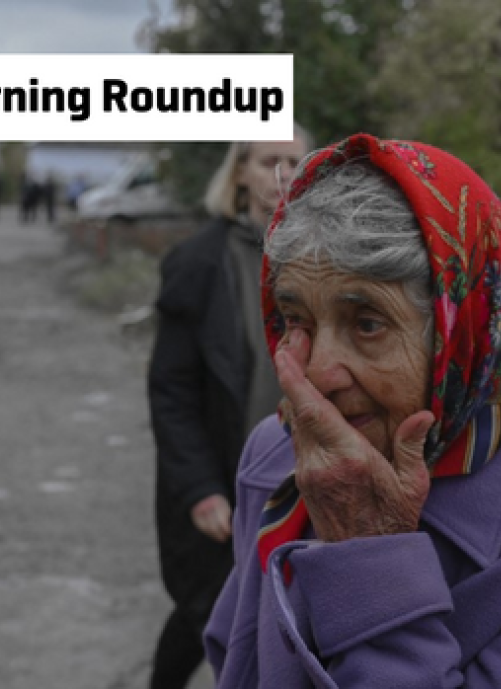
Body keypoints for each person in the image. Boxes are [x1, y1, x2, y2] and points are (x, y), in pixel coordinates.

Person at [201, 134, 501, 688]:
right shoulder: (277, 451)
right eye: (296, 320)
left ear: (463, 333)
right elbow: (234, 656)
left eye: (368, 324)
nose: (320, 373)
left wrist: (367, 551)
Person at [147, 125, 313, 689]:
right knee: (209, 611)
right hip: (225, 480)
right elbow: (171, 390)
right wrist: (200, 489)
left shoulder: (325, 257)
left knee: (287, 618)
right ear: (239, 172)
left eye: (295, 160)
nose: (283, 175)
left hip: (305, 478)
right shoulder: (198, 263)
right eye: (269, 160)